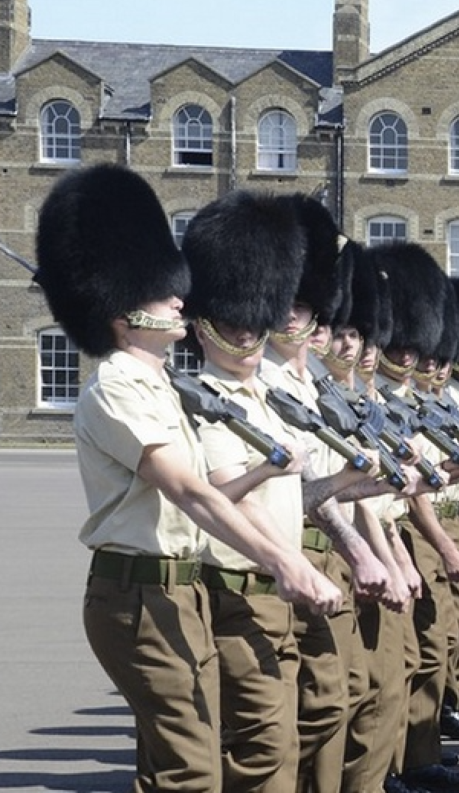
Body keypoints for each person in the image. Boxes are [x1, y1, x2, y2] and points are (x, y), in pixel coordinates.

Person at [34, 164, 344, 792]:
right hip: (139, 593)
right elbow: (188, 491)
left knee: (180, 762)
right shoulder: (117, 386)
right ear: (123, 311)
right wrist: (285, 562)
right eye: (159, 293)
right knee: (192, 770)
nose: (180, 297)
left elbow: (209, 495)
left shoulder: (162, 385)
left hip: (181, 590)